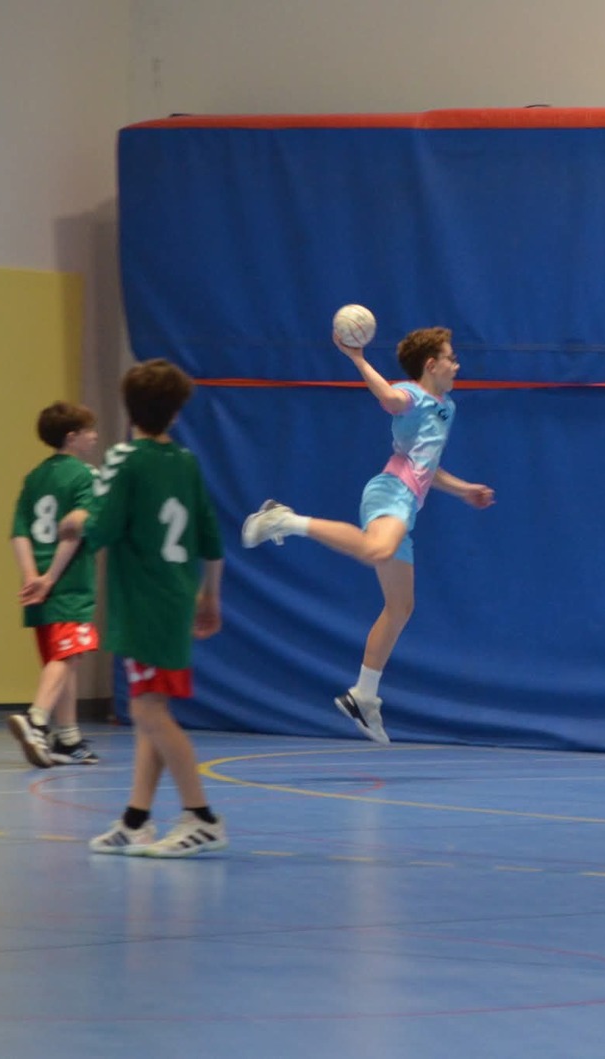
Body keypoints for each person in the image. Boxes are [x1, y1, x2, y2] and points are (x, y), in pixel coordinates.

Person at [240, 326, 494, 743]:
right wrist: (358, 358)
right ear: (432, 365)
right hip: (390, 492)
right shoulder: (410, 395)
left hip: (408, 505)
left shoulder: (446, 407)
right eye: (451, 358)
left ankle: (363, 695)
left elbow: (427, 468)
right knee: (377, 549)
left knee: (400, 606)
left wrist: (464, 489)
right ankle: (284, 520)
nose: (457, 364)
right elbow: (389, 399)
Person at [54, 359, 227, 857]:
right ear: (176, 413)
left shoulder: (125, 458)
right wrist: (211, 596)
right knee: (153, 708)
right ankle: (136, 819)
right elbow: (211, 538)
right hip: (176, 596)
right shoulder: (186, 462)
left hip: (143, 603)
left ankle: (201, 816)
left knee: (148, 711)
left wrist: (77, 522)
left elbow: (104, 526)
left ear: (128, 409)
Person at [6, 401, 103, 768]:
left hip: (36, 584)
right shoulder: (86, 476)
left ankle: (68, 738)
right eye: (90, 431)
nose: (95, 436)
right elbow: (73, 532)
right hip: (68, 581)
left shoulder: (34, 477)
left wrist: (32, 575)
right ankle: (36, 720)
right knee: (68, 655)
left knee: (63, 658)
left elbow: (18, 532)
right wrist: (51, 578)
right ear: (72, 437)